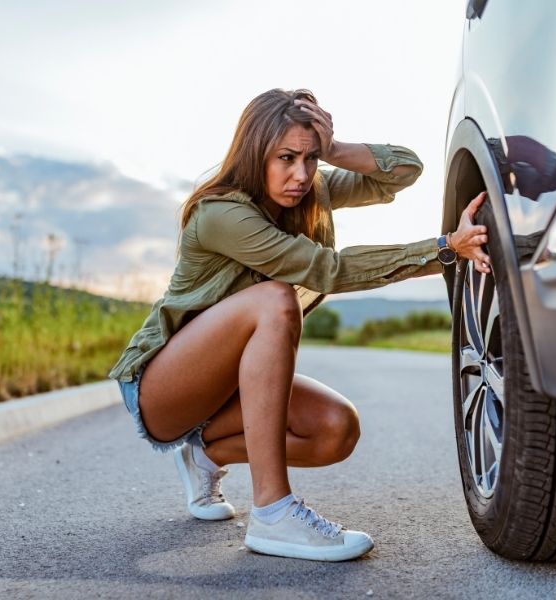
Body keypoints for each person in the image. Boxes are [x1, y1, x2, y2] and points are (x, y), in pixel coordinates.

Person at [109, 88, 490, 562]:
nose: (301, 174)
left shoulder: (312, 186)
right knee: (274, 300)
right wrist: (443, 250)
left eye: (310, 158)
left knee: (335, 428)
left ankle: (206, 454)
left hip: (226, 391)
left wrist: (335, 150)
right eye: (286, 157)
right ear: (255, 152)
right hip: (164, 387)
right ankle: (273, 514)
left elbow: (404, 171)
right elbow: (326, 270)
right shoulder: (222, 213)